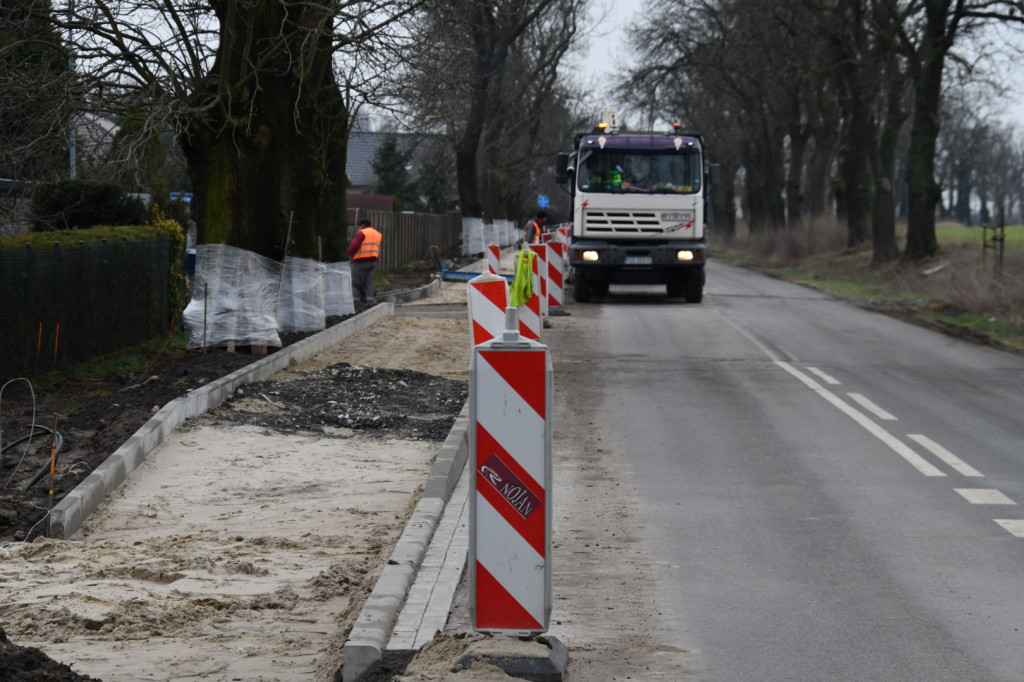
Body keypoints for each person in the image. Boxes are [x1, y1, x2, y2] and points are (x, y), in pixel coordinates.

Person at [349, 218, 382, 305]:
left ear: (362, 225)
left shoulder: (362, 232)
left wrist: (348, 253)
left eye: (360, 226)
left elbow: (354, 246)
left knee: (355, 282)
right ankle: (369, 302)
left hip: (360, 261)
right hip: (373, 262)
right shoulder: (377, 234)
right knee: (369, 282)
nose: (359, 228)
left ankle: (355, 302)